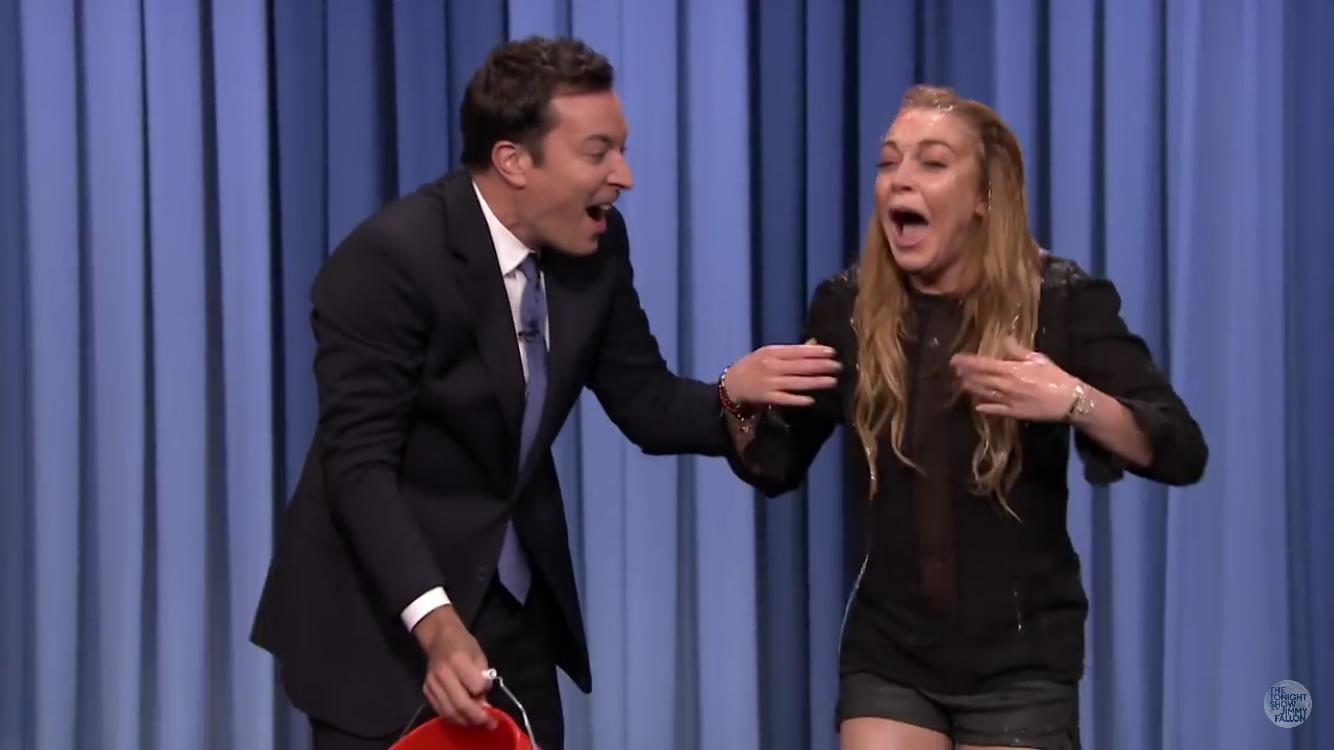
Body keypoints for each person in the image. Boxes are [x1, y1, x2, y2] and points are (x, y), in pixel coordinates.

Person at [249, 36, 838, 750]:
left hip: (514, 611)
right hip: (384, 616)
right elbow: (360, 469)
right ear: (514, 161)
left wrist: (731, 394)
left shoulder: (597, 247)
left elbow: (645, 402)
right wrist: (435, 623)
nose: (624, 176)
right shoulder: (391, 260)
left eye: (621, 149)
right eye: (598, 153)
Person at [718, 85, 1208, 750]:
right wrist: (737, 399)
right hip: (889, 653)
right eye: (889, 162)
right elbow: (777, 463)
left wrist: (1073, 399)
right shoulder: (847, 307)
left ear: (983, 197)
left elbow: (1180, 450)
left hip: (1021, 663)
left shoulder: (1060, 302)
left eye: (932, 162)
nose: (900, 180)